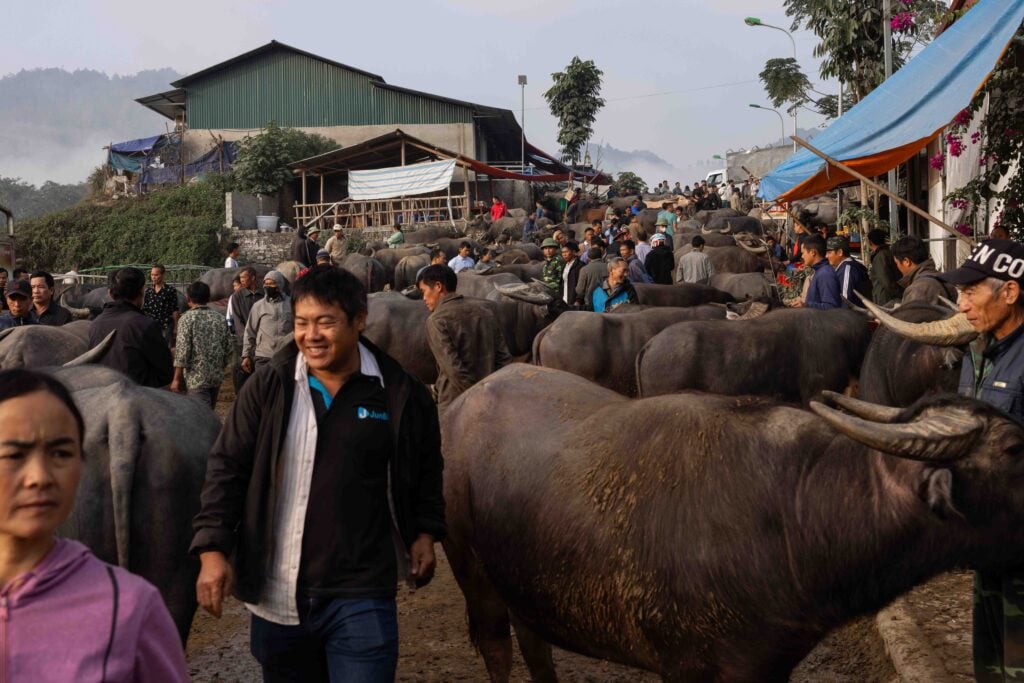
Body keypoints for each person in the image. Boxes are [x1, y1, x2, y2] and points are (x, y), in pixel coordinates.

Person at [191, 265, 446, 682]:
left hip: (362, 591)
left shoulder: (399, 392)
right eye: (302, 323)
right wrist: (212, 550)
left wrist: (424, 531)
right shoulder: (269, 387)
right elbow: (227, 468)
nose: (311, 335)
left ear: (359, 320)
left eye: (326, 323)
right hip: (279, 589)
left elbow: (425, 467)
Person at [0, 369, 189, 681]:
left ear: (82, 464)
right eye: (14, 455)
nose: (40, 477)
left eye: (61, 453)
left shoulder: (132, 607)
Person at [933, 239, 1024, 682]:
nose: (961, 304)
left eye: (971, 292)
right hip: (988, 539)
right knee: (989, 661)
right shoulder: (978, 354)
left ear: (1009, 292)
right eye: (959, 293)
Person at [417, 264, 512, 414]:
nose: (423, 298)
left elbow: (453, 369)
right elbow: (504, 358)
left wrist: (476, 396)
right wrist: (492, 392)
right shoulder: (485, 311)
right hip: (493, 397)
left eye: (424, 291)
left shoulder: (436, 321)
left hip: (456, 402)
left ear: (438, 286)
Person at [89, 267, 173, 387]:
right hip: (136, 398)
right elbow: (166, 373)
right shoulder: (144, 324)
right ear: (141, 292)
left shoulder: (95, 324)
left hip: (100, 394)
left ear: (110, 294)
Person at [172, 281, 233, 408]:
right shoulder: (219, 318)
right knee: (210, 412)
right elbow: (229, 348)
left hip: (196, 379)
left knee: (202, 418)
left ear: (188, 298)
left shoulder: (187, 319)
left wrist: (176, 379)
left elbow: (182, 352)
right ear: (209, 298)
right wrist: (219, 368)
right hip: (216, 377)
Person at [242, 271, 293, 373]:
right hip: (263, 356)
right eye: (266, 284)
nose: (267, 286)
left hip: (285, 356)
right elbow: (250, 332)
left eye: (271, 284)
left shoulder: (291, 303)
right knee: (263, 388)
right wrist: (246, 355)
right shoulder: (258, 306)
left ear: (279, 285)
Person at [893, 235, 958, 305]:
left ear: (906, 262)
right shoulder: (942, 278)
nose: (897, 267)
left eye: (897, 263)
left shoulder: (918, 289)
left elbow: (910, 315)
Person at [229, 266, 262, 392]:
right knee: (241, 371)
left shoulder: (263, 295)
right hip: (243, 340)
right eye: (241, 278)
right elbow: (237, 321)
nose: (241, 280)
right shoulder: (237, 296)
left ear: (253, 278)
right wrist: (247, 340)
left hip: (261, 340)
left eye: (244, 277)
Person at [794, 234, 841, 309]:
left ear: (813, 252)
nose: (802, 256)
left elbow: (832, 308)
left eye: (803, 253)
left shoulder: (826, 274)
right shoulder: (819, 271)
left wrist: (806, 305)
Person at [142, 265, 179, 347]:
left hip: (166, 326)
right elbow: (145, 310)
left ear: (162, 275)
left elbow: (175, 309)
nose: (153, 277)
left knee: (165, 348)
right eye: (152, 275)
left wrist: (176, 327)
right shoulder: (148, 291)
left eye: (156, 275)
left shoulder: (170, 290)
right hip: (152, 326)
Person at [825, 237, 871, 304]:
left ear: (840, 252)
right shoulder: (852, 265)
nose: (826, 256)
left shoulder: (847, 270)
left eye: (829, 252)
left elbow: (845, 301)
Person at [866, 229, 903, 304]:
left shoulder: (880, 256)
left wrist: (899, 294)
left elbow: (885, 280)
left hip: (885, 298)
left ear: (870, 242)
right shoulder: (888, 253)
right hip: (889, 296)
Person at [575, 244, 608, 310]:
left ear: (588, 257)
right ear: (601, 255)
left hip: (590, 302)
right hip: (608, 301)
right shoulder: (609, 267)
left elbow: (580, 290)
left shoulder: (584, 269)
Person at [560, 242, 583, 308]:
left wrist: (578, 300)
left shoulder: (580, 266)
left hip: (574, 301)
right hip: (564, 299)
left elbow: (581, 285)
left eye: (566, 252)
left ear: (573, 252)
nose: (564, 254)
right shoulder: (564, 266)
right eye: (562, 252)